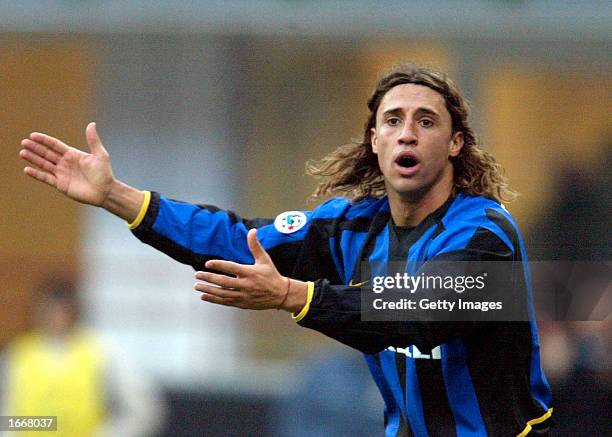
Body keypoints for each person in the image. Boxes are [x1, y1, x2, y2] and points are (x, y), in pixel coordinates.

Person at [19, 64, 553, 436]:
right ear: (374, 140)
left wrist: (293, 296)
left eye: (426, 121)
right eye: (393, 120)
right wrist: (116, 195)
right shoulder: (350, 227)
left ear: (456, 143)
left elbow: (414, 313)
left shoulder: (486, 234)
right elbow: (237, 239)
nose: (407, 134)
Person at [0, 276, 165, 437]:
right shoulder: (18, 355)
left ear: (74, 311)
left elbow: (143, 408)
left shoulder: (99, 350)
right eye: (49, 310)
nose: (55, 318)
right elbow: (7, 416)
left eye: (61, 311)